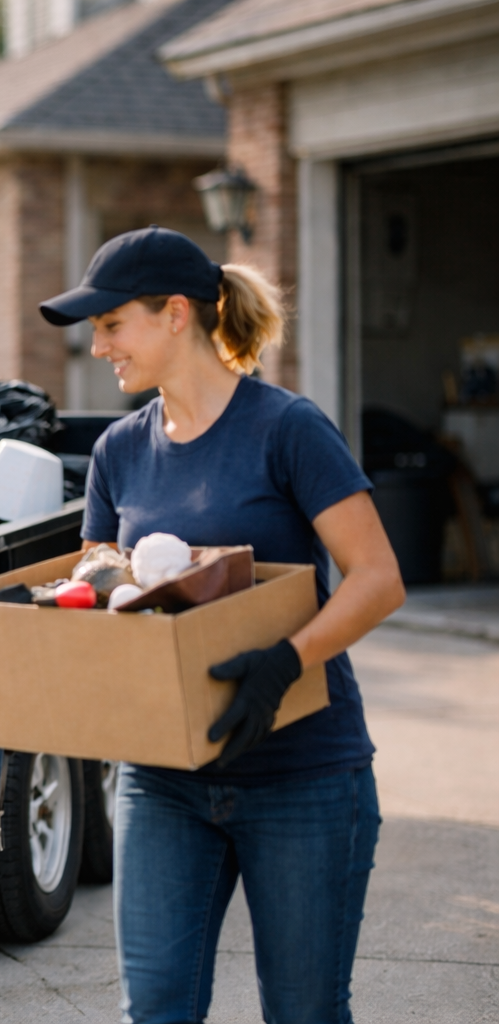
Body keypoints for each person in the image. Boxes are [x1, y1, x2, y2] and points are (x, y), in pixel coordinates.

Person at [39, 227, 404, 1024]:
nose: (98, 348)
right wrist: (84, 599)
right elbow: (96, 575)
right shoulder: (117, 451)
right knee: (158, 1010)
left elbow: (378, 579)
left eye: (111, 325)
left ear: (176, 314)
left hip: (303, 774)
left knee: (304, 1011)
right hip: (164, 776)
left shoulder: (287, 428)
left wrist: (283, 662)